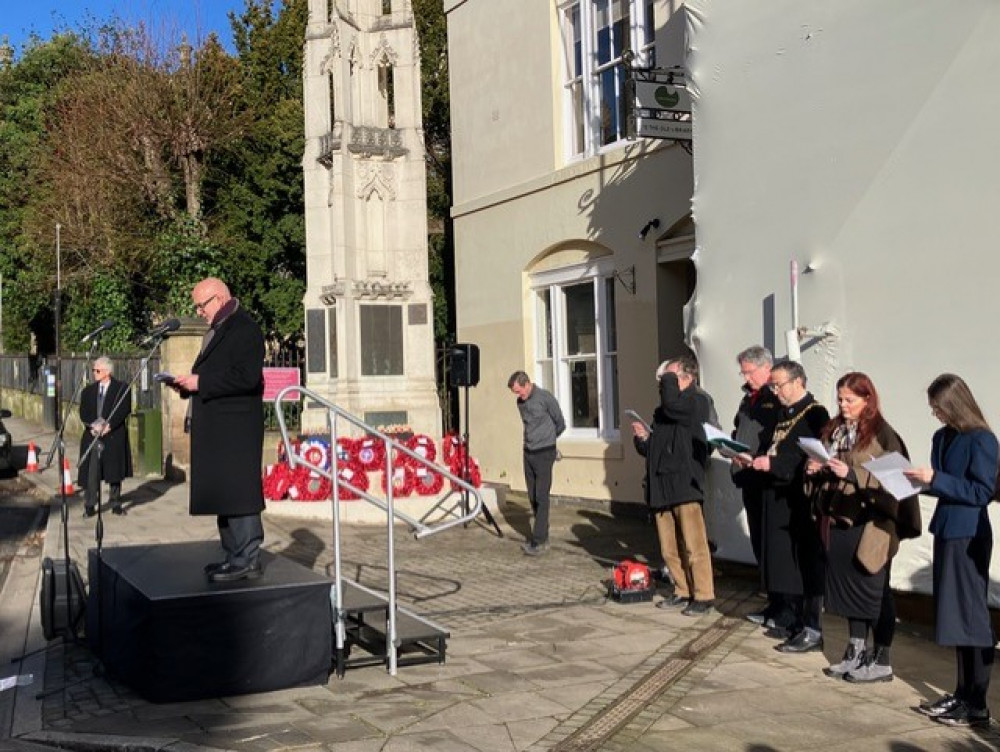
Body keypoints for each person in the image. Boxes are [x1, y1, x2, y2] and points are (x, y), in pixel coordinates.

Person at [805, 372, 912, 683]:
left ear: (868, 399)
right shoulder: (836, 430)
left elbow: (897, 478)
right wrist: (814, 468)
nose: (843, 404)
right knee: (848, 587)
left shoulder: (884, 434)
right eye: (840, 398)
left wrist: (852, 474)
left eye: (849, 399)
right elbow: (825, 460)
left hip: (872, 522)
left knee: (874, 590)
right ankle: (854, 651)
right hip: (840, 520)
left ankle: (882, 659)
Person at [904, 374, 997, 728]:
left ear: (955, 405)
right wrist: (913, 482)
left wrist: (935, 479)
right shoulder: (942, 437)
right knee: (957, 618)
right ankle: (961, 693)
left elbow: (980, 491)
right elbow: (942, 485)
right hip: (946, 529)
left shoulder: (982, 440)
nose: (935, 414)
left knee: (972, 618)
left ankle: (977, 703)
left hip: (970, 534)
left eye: (938, 408)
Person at [172, 278, 266, 583]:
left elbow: (247, 377)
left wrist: (201, 383)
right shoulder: (218, 330)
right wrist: (189, 386)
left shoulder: (244, 328)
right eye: (197, 306)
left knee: (239, 494)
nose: (199, 312)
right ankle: (232, 556)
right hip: (219, 429)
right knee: (224, 494)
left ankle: (247, 558)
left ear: (221, 298)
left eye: (202, 304)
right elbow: (216, 374)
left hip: (236, 430)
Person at [750, 360, 829, 652]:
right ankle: (793, 619)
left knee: (805, 563)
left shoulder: (815, 413)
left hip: (800, 499)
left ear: (798, 382)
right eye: (772, 385)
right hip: (777, 494)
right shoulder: (784, 413)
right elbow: (777, 444)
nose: (775, 391)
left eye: (779, 384)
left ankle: (810, 626)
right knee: (785, 563)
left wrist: (773, 463)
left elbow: (809, 457)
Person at [632, 354, 715, 616]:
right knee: (669, 548)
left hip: (685, 483)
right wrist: (643, 439)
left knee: (694, 545)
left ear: (688, 378)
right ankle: (682, 590)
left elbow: (675, 408)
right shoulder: (664, 411)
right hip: (661, 485)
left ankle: (704, 595)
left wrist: (667, 376)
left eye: (669, 378)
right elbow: (655, 449)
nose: (663, 385)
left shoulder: (697, 400)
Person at [729, 346, 781, 625]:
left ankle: (781, 604)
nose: (746, 377)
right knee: (760, 542)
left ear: (766, 368)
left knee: (771, 544)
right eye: (743, 372)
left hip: (767, 479)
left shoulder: (775, 397)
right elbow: (740, 428)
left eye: (749, 371)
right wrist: (731, 442)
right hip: (747, 475)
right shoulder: (748, 398)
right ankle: (771, 601)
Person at [508, 371, 565, 556]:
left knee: (542, 496)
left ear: (527, 384)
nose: (518, 396)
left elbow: (560, 423)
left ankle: (538, 542)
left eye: (519, 391)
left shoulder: (545, 398)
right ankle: (544, 536)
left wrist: (548, 442)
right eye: (515, 393)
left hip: (544, 453)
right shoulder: (520, 403)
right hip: (528, 452)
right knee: (532, 496)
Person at [78, 356, 132, 517]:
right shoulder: (88, 391)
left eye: (98, 370)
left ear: (107, 372)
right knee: (91, 472)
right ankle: (89, 505)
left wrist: (110, 425)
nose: (94, 372)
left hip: (112, 434)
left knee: (114, 470)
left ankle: (115, 503)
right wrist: (92, 426)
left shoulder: (121, 389)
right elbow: (83, 412)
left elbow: (124, 409)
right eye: (94, 370)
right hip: (93, 435)